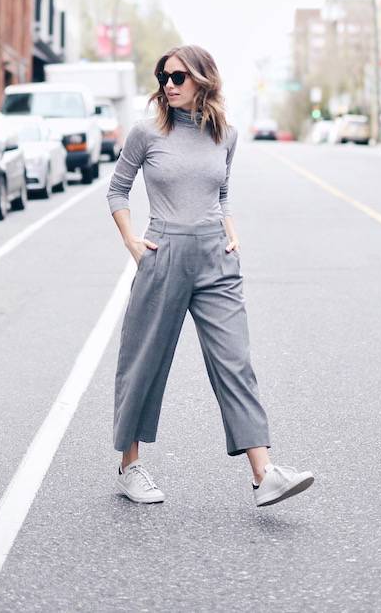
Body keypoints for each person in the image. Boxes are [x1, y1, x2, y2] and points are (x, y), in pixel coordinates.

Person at [107, 44, 314, 508]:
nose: (169, 85)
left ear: (204, 80)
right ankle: (130, 466)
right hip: (163, 254)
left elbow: (221, 191)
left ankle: (264, 474)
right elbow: (117, 190)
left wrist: (231, 232)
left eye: (179, 77)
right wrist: (132, 243)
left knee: (234, 360)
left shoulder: (226, 135)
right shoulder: (147, 132)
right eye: (164, 77)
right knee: (144, 361)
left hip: (216, 259)